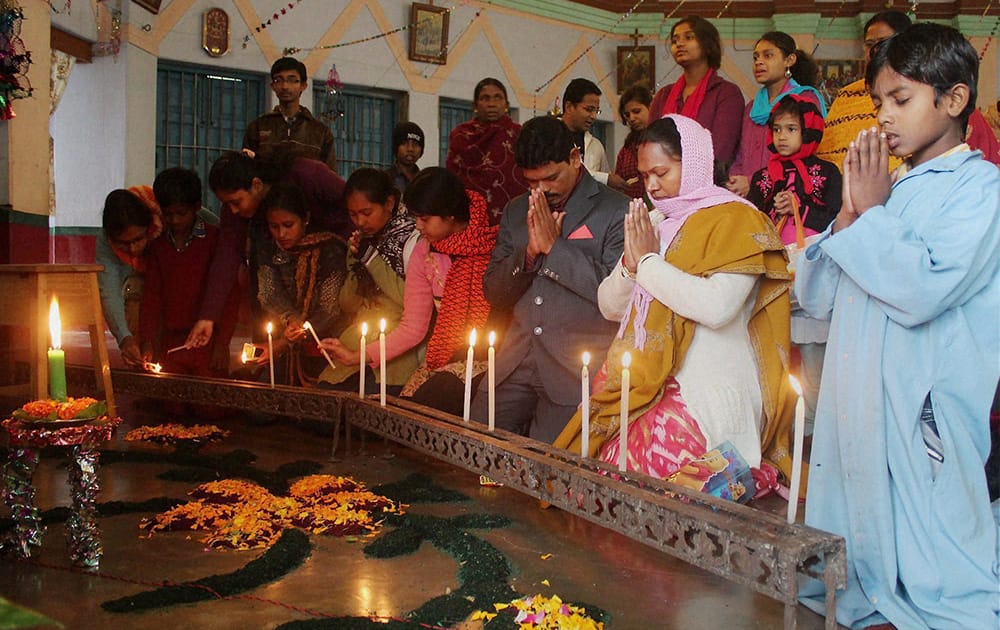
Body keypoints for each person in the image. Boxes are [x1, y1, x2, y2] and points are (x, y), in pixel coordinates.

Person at [796, 24, 999, 628]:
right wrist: (848, 217)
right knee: (856, 539)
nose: (883, 116)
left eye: (901, 99)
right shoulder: (890, 186)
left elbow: (922, 290)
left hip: (922, 403)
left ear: (954, 100)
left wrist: (872, 214)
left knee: (938, 557)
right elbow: (815, 295)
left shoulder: (982, 190)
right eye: (878, 100)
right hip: (857, 395)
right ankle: (867, 591)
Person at [553, 115, 795, 482]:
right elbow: (610, 306)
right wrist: (633, 267)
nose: (652, 186)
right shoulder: (657, 221)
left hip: (706, 390)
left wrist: (648, 263)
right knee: (605, 474)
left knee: (652, 480)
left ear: (695, 163)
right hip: (646, 381)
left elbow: (717, 307)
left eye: (661, 173)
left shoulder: (738, 220)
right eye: (645, 175)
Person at [468, 116, 627, 443]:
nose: (541, 191)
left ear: (574, 158)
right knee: (473, 449)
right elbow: (494, 291)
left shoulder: (617, 210)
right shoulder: (516, 212)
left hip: (576, 369)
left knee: (551, 472)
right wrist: (528, 254)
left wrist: (555, 249)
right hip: (514, 359)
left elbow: (616, 295)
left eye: (550, 178)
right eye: (531, 182)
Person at [185, 150, 348, 352]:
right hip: (284, 296)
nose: (233, 211)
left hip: (336, 263)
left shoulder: (308, 175)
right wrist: (208, 316)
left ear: (256, 185)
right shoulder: (260, 240)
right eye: (274, 227)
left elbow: (355, 203)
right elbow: (226, 257)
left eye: (236, 202)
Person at [745, 94, 841, 440]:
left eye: (791, 128)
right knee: (773, 360)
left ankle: (813, 436)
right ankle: (776, 434)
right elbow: (750, 223)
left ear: (810, 131)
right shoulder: (761, 179)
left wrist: (800, 208)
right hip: (774, 279)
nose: (782, 136)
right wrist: (775, 209)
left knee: (814, 366)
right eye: (776, 129)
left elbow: (837, 220)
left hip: (813, 281)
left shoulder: (828, 173)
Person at [816, 10, 1000, 169]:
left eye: (901, 100)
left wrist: (869, 206)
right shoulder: (848, 95)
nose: (881, 117)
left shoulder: (978, 184)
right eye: (877, 105)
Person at [316, 168, 419, 394]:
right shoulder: (362, 242)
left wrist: (371, 259)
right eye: (353, 214)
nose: (360, 221)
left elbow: (410, 302)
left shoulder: (414, 238)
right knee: (325, 405)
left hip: (396, 348)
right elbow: (348, 304)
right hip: (359, 338)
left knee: (370, 410)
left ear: (389, 203)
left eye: (366, 212)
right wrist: (356, 261)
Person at [96, 185, 217, 369]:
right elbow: (110, 292)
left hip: (177, 276)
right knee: (135, 296)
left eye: (138, 239)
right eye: (124, 244)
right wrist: (125, 339)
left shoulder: (166, 211)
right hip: (142, 283)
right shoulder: (106, 242)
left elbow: (205, 220)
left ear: (151, 226)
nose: (134, 249)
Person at [139, 168, 238, 377]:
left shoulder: (215, 241)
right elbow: (151, 297)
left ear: (197, 207)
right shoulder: (158, 246)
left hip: (209, 342)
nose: (174, 220)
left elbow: (230, 295)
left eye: (181, 213)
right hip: (171, 343)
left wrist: (222, 343)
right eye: (168, 214)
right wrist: (148, 341)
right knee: (170, 404)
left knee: (211, 407)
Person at [252, 183, 348, 386]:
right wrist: (290, 319)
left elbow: (329, 308)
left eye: (288, 225)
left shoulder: (330, 250)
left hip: (327, 343)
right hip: (285, 338)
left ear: (305, 219)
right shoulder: (267, 248)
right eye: (274, 226)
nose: (281, 234)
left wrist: (297, 334)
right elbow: (269, 293)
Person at [726, 32, 825, 198]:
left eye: (768, 55)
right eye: (756, 57)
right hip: (749, 196)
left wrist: (753, 182)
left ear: (789, 60)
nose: (759, 62)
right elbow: (740, 154)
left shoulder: (805, 99)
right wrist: (735, 181)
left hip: (787, 194)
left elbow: (803, 154)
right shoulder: (752, 106)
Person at [648, 16, 744, 172]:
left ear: (707, 44)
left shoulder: (726, 93)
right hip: (663, 183)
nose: (679, 44)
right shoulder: (663, 95)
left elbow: (720, 150)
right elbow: (650, 144)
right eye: (674, 40)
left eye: (688, 37)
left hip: (708, 183)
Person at [446, 78, 528, 225]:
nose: (491, 104)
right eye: (485, 98)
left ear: (507, 105)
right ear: (475, 105)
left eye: (498, 97)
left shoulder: (519, 135)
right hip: (469, 222)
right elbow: (452, 182)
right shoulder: (461, 136)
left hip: (513, 221)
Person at [242, 57, 337, 171]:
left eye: (292, 80)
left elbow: (329, 175)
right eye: (279, 80)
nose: (285, 86)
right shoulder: (258, 126)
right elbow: (246, 170)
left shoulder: (320, 132)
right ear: (272, 86)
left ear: (303, 85)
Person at [560, 78, 627, 193]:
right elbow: (563, 172)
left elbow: (606, 187)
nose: (593, 116)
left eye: (597, 111)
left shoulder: (596, 146)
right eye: (589, 109)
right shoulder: (549, 138)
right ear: (569, 107)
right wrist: (605, 179)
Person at [613, 84, 652, 200]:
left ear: (651, 107)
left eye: (636, 111)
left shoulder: (665, 142)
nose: (632, 118)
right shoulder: (626, 150)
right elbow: (618, 184)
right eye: (627, 115)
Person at [384, 121, 424, 194]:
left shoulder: (425, 180)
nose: (410, 149)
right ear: (396, 147)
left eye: (415, 144)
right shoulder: (385, 179)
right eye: (404, 143)